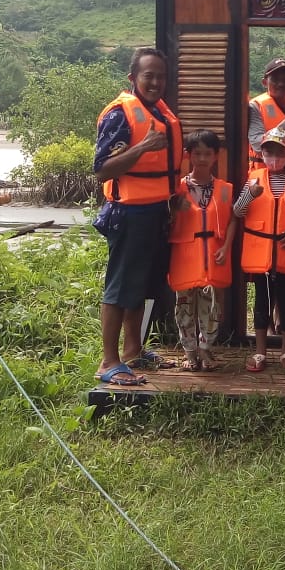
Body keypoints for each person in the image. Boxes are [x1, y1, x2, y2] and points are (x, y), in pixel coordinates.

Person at [93, 47, 181, 386]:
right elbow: (102, 170)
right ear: (133, 78)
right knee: (120, 287)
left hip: (156, 211)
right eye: (149, 76)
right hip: (128, 213)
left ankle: (133, 350)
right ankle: (108, 361)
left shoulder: (159, 112)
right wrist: (143, 147)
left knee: (140, 285)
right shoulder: (119, 115)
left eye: (161, 77)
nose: (156, 82)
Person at [234, 126, 285, 371]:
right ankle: (260, 352)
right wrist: (250, 195)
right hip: (261, 251)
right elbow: (238, 211)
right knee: (262, 300)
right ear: (262, 154)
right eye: (268, 152)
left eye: (279, 152)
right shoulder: (254, 178)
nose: (274, 157)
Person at [168, 129, 236, 372]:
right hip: (185, 256)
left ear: (216, 156)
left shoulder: (225, 189)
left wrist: (226, 247)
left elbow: (233, 220)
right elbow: (165, 221)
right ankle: (189, 352)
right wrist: (174, 207)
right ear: (188, 155)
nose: (203, 159)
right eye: (197, 153)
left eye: (208, 153)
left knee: (212, 305)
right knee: (184, 305)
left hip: (214, 255)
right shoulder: (177, 189)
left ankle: (206, 348)